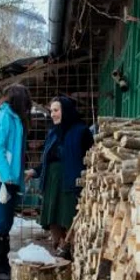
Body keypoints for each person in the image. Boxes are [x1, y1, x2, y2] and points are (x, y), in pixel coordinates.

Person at [25, 96, 94, 257]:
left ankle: (71, 248)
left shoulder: (81, 131)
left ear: (66, 111)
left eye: (56, 110)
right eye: (51, 111)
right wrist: (34, 171)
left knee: (69, 215)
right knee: (54, 218)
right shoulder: (53, 133)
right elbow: (47, 161)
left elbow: (89, 159)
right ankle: (59, 247)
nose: (52, 114)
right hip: (52, 182)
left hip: (71, 181)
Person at [0, 84, 32, 280]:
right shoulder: (3, 117)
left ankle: (1, 266)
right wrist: (6, 174)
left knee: (5, 223)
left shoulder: (13, 118)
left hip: (7, 178)